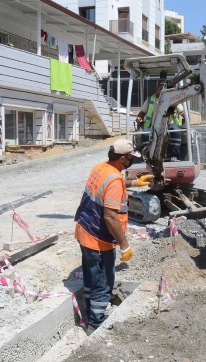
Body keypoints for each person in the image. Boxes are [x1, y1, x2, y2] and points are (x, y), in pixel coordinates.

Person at [74, 139, 153, 331]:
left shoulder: (101, 168)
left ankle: (91, 311)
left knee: (91, 276)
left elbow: (112, 183)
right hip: (99, 238)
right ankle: (96, 321)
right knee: (103, 281)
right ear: (122, 158)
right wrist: (125, 245)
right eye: (130, 158)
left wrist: (134, 182)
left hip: (84, 230)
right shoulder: (115, 179)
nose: (132, 161)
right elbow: (110, 216)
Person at [136, 81, 185, 161]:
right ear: (157, 88)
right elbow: (142, 113)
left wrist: (183, 114)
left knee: (175, 130)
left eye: (164, 87)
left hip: (170, 125)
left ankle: (174, 155)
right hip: (153, 125)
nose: (162, 88)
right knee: (145, 134)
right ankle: (149, 156)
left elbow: (181, 111)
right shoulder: (150, 99)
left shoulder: (174, 98)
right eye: (160, 86)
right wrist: (139, 117)